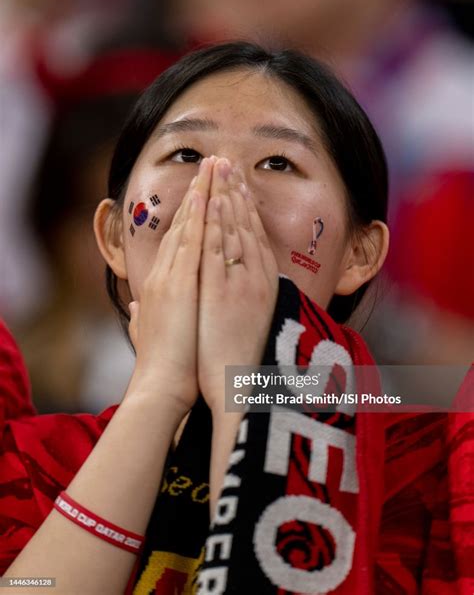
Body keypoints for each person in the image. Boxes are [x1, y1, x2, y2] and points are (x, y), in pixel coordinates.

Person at [1, 43, 471, 594]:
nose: (221, 187)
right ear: (111, 235)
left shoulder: (441, 467)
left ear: (359, 254)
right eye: (184, 155)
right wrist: (158, 391)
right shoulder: (27, 461)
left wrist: (253, 383)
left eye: (278, 162)